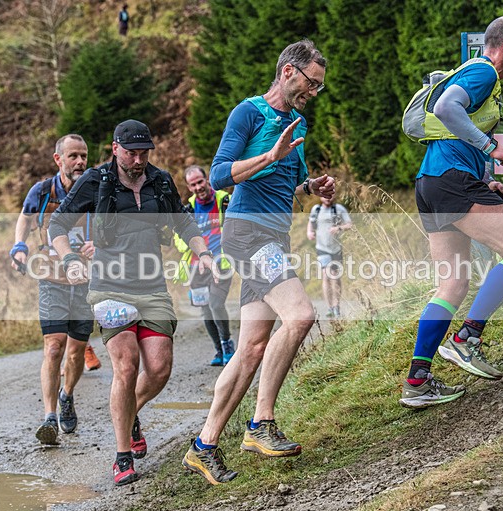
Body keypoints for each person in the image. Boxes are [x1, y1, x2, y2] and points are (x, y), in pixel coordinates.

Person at [182, 39, 335, 485]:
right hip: (247, 233)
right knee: (302, 315)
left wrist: (313, 187)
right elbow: (217, 175)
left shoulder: (298, 122)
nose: (314, 92)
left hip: (274, 237)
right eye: (311, 83)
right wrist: (269, 155)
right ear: (288, 72)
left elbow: (289, 180)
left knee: (250, 349)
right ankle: (260, 424)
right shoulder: (249, 113)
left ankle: (204, 445)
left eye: (319, 87)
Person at [48, 120, 213, 486]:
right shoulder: (97, 179)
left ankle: (129, 412)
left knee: (159, 368)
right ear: (115, 148)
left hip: (152, 286)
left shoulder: (160, 180)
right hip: (109, 286)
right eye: (130, 153)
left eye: (143, 153)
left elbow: (184, 223)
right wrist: (71, 260)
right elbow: (57, 226)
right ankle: (123, 456)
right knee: (126, 365)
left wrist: (203, 253)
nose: (138, 160)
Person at [398, 16, 503, 409]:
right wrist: (491, 146)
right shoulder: (484, 71)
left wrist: (487, 182)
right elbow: (446, 108)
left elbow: (454, 129)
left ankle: (417, 381)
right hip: (451, 181)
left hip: (433, 182)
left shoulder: (471, 73)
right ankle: (467, 339)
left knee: (452, 285)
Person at [9, 134, 98, 446]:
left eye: (83, 156)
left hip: (86, 280)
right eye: (73, 156)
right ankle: (48, 417)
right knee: (54, 346)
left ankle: (67, 395)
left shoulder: (96, 187)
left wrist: (98, 242)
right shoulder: (43, 191)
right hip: (51, 278)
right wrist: (19, 246)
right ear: (58, 159)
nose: (80, 162)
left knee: (76, 351)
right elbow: (25, 217)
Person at [174, 165, 236, 366]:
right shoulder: (188, 209)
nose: (198, 187)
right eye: (193, 184)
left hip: (222, 263)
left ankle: (227, 344)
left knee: (216, 304)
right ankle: (219, 351)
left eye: (200, 181)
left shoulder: (224, 200)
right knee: (205, 311)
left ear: (207, 179)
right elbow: (179, 239)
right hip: (196, 268)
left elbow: (236, 226)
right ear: (189, 187)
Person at [307, 195, 352, 319]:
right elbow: (310, 223)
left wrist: (338, 228)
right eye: (324, 196)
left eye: (330, 195)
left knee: (335, 277)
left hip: (336, 248)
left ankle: (336, 306)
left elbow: (349, 224)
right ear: (320, 197)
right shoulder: (316, 209)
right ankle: (330, 307)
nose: (327, 198)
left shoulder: (338, 209)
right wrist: (309, 232)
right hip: (322, 248)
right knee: (326, 275)